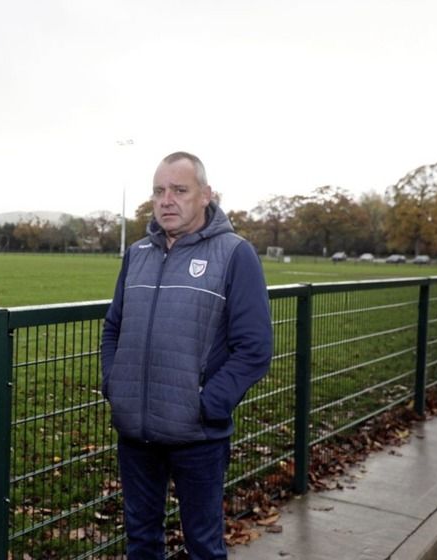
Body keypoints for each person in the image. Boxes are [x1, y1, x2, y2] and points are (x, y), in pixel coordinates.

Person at [101, 151, 272, 559]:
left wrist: (206, 404)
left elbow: (255, 348)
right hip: (136, 432)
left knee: (204, 546)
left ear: (206, 195)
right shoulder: (138, 253)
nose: (167, 200)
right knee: (141, 542)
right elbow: (113, 328)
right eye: (159, 191)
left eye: (179, 190)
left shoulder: (235, 254)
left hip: (197, 435)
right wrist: (115, 385)